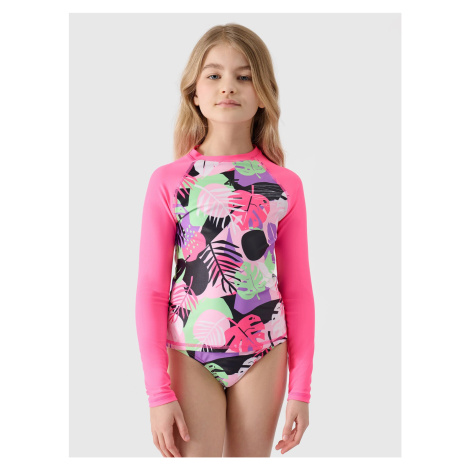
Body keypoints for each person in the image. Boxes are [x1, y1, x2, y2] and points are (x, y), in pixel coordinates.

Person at [135, 23, 315, 458]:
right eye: (214, 75)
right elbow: (152, 290)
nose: (228, 86)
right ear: (195, 93)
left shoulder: (283, 185)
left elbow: (297, 290)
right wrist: (158, 393)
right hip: (188, 352)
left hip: (264, 351)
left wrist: (301, 390)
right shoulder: (170, 181)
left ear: (263, 93)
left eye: (244, 76)